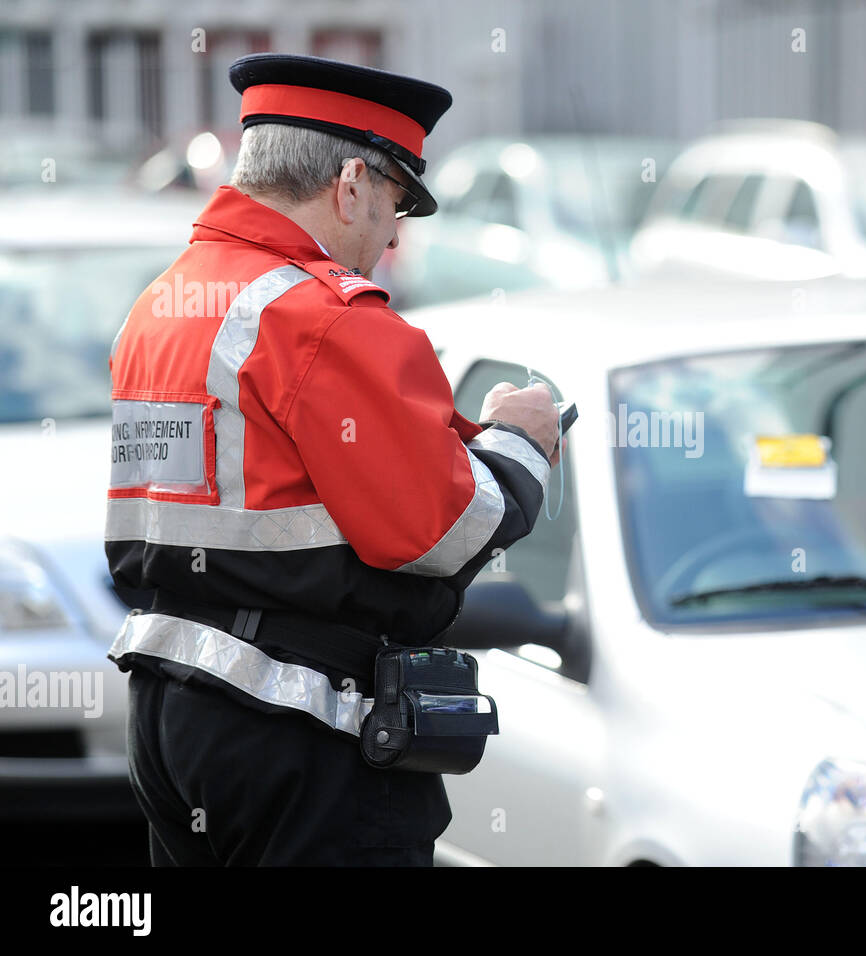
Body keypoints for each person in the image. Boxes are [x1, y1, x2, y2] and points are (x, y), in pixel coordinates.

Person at [105, 53, 561, 866]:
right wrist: (519, 440)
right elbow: (448, 530)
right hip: (298, 728)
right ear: (351, 181)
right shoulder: (322, 316)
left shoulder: (167, 303)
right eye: (395, 204)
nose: (392, 238)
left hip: (170, 711)